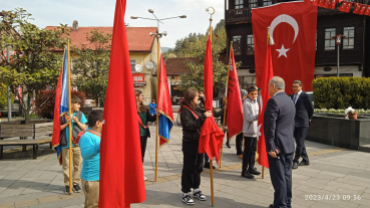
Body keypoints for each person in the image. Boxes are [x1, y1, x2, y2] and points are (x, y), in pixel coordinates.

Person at [264, 76, 295, 208]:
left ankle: (280, 205)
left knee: (279, 178)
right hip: (288, 144)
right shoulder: (289, 100)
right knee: (287, 176)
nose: (268, 89)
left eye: (268, 86)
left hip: (277, 147)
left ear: (273, 86)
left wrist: (271, 147)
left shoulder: (273, 101)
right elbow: (292, 124)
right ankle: (286, 202)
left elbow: (270, 126)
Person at [180, 88, 211, 205]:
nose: (198, 98)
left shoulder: (195, 108)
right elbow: (190, 125)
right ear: (191, 98)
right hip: (189, 143)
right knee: (189, 167)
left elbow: (205, 110)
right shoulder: (185, 111)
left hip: (199, 142)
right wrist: (203, 117)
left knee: (198, 166)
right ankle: (186, 192)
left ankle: (196, 188)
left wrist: (203, 99)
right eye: (197, 97)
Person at [60, 95, 87, 194]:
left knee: (78, 164)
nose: (79, 106)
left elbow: (84, 128)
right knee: (66, 165)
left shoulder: (80, 114)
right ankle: (68, 184)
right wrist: (67, 123)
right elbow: (58, 129)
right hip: (66, 144)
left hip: (77, 144)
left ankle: (76, 183)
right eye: (77, 104)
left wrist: (77, 122)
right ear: (71, 105)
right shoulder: (63, 115)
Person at [78, 110, 103, 208]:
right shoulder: (87, 136)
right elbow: (85, 153)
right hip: (92, 181)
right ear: (98, 123)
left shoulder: (99, 135)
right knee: (93, 206)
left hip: (99, 178)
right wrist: (100, 146)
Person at [291, 80, 314, 170]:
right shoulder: (292, 96)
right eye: (293, 86)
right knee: (299, 141)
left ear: (301, 86)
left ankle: (295, 160)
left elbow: (311, 109)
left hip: (303, 122)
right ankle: (305, 159)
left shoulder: (305, 96)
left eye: (296, 86)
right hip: (294, 122)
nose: (295, 88)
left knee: (300, 142)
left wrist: (309, 118)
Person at [135, 90, 156, 181]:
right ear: (136, 97)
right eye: (141, 96)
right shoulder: (131, 108)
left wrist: (157, 115)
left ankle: (139, 174)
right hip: (135, 135)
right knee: (135, 155)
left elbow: (150, 118)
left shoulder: (145, 108)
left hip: (143, 134)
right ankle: (134, 173)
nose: (143, 97)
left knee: (141, 154)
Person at [241, 86, 260, 179]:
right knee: (247, 151)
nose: (254, 95)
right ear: (248, 94)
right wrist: (259, 115)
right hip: (249, 131)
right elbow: (248, 117)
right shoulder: (246, 103)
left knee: (253, 150)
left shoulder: (256, 102)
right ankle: (244, 170)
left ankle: (251, 167)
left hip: (256, 131)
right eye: (252, 94)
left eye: (255, 94)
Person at [236, 89, 248, 159]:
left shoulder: (246, 101)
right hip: (240, 121)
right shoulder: (239, 102)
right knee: (239, 136)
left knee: (243, 136)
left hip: (245, 121)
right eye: (245, 95)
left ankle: (241, 150)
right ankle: (239, 150)